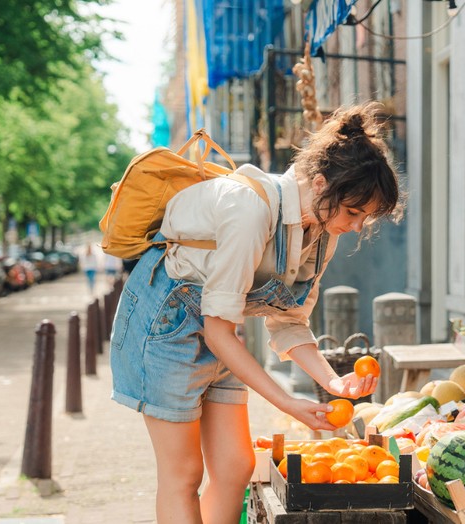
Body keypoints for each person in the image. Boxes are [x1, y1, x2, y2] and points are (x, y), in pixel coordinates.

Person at [109, 102, 403, 524]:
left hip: (219, 329)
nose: (357, 226)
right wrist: (285, 401)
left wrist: (334, 381)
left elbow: (288, 321)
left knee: (234, 467)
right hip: (165, 323)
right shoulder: (249, 211)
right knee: (184, 473)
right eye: (354, 212)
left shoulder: (321, 232)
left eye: (366, 217)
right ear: (320, 184)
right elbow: (217, 331)